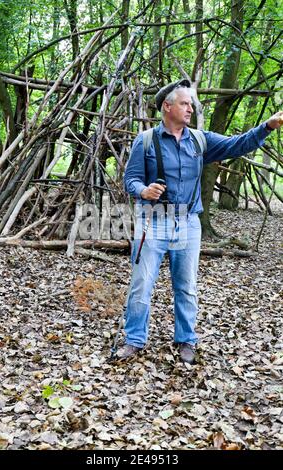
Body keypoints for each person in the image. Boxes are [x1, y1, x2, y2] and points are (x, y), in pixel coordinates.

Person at [118, 79, 283, 364]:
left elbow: (236, 145)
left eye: (191, 104)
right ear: (167, 107)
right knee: (142, 283)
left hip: (188, 223)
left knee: (186, 286)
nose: (190, 109)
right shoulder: (144, 141)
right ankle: (134, 340)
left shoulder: (200, 140)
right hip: (153, 221)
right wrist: (142, 190)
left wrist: (266, 127)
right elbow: (129, 179)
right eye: (185, 103)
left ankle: (186, 340)